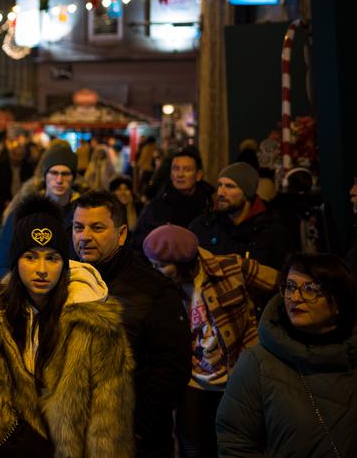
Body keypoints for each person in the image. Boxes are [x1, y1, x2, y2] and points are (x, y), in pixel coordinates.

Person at [0, 197, 135, 458]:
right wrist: (6, 432)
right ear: (15, 261)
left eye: (52, 258)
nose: (42, 269)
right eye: (30, 257)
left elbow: (108, 419)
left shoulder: (95, 323)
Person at [142, 225, 279, 458]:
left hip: (236, 372)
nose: (156, 272)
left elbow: (281, 283)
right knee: (192, 445)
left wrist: (268, 331)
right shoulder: (163, 290)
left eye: (162, 266)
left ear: (183, 263)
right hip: (193, 379)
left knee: (234, 445)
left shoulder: (230, 267)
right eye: (153, 265)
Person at [72, 191, 191, 458]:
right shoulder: (67, 282)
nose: (85, 236)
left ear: (122, 234)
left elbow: (172, 370)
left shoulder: (154, 291)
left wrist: (134, 429)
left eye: (97, 227)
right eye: (79, 227)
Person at [216, 253, 357, 458]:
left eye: (310, 289)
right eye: (290, 287)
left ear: (338, 301)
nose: (295, 298)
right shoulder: (258, 363)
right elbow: (236, 443)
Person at [0, 144, 80, 282]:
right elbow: (4, 258)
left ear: (73, 178)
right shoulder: (24, 211)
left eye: (65, 174)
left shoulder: (80, 213)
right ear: (45, 176)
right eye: (54, 173)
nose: (59, 180)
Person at [189, 163, 290, 269]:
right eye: (220, 185)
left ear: (247, 193)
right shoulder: (203, 225)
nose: (221, 192)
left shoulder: (272, 231)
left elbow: (281, 277)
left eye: (229, 186)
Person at [132, 147, 213, 253]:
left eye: (187, 169)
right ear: (170, 174)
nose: (180, 175)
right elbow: (138, 244)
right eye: (176, 169)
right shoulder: (155, 207)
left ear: (198, 175)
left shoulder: (210, 205)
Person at [0, 140, 34, 228]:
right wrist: (2, 201)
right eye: (15, 154)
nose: (17, 158)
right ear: (10, 154)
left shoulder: (28, 168)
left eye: (20, 155)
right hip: (2, 208)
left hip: (22, 208)